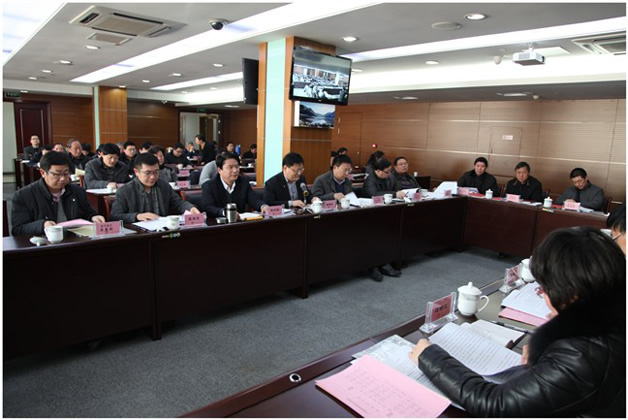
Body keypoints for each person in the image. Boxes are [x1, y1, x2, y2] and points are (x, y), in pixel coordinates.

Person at [410, 226, 625, 417]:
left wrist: (430, 356)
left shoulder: (581, 354)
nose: (543, 295)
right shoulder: (611, 320)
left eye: (545, 288)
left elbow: (495, 404)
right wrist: (557, 330)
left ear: (573, 295)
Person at [11, 151, 105, 236]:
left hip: (73, 240)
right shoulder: (24, 195)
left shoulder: (77, 191)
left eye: (66, 173)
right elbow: (18, 229)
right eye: (57, 174)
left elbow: (87, 213)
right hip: (42, 243)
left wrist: (93, 217)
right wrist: (43, 225)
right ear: (43, 173)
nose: (63, 179)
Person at [110, 153, 200, 223]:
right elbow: (114, 216)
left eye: (156, 172)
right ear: (136, 172)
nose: (152, 177)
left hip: (161, 230)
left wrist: (190, 208)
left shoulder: (163, 185)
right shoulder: (125, 191)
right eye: (147, 173)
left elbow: (178, 203)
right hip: (137, 234)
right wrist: (137, 216)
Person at [201, 151, 268, 218]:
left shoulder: (243, 182)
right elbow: (208, 207)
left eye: (237, 166)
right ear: (219, 170)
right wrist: (225, 212)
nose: (235, 170)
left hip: (240, 222)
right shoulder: (209, 186)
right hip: (218, 222)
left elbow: (254, 200)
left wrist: (263, 206)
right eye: (230, 167)